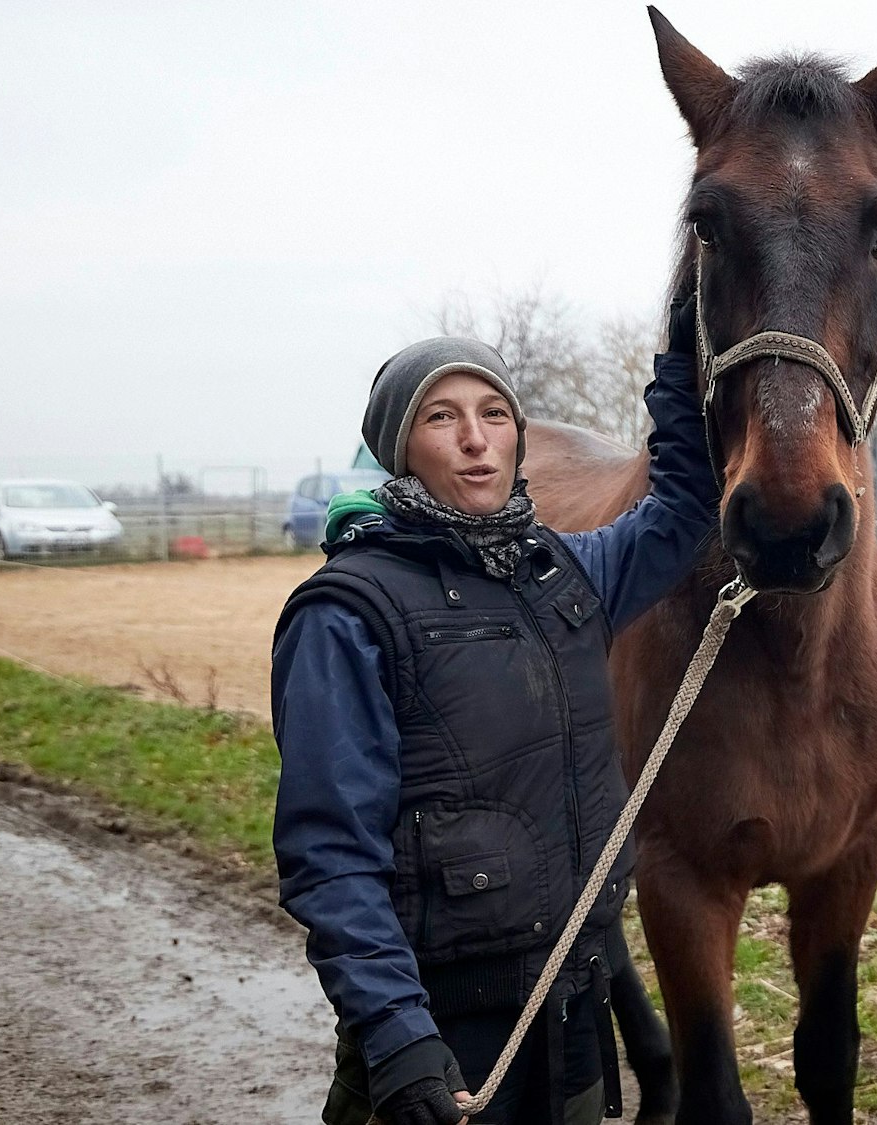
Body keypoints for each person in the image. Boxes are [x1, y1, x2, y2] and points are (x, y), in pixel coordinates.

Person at [271, 300, 716, 1125]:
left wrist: (684, 361)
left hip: (573, 1013)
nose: (476, 438)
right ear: (401, 446)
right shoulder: (345, 615)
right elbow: (330, 854)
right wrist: (398, 1037)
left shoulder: (564, 576)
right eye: (443, 416)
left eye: (494, 413)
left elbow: (683, 513)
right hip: (443, 1040)